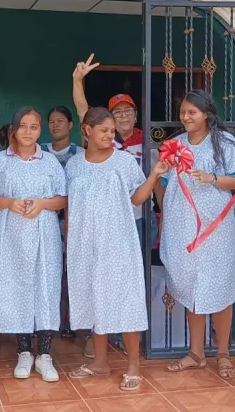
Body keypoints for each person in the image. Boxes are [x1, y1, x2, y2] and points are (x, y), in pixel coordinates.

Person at [65, 107, 170, 391]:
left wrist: (155, 175)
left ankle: (133, 364)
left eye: (112, 131)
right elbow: (69, 207)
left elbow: (137, 198)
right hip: (84, 245)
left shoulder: (123, 162)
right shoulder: (74, 165)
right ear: (87, 130)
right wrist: (68, 241)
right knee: (93, 298)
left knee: (125, 300)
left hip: (118, 242)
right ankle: (100, 361)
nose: (111, 135)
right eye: (104, 131)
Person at [0, 107, 67, 382]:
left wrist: (43, 204)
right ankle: (24, 352)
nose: (28, 132)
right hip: (11, 235)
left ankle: (45, 355)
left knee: (45, 286)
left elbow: (63, 199)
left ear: (40, 130)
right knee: (18, 287)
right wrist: (7, 203)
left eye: (34, 127)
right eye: (23, 126)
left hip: (45, 234)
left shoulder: (49, 161)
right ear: (13, 129)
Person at [157, 91, 235, 379]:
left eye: (191, 112)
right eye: (183, 112)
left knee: (219, 288)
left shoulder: (224, 142)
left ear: (206, 113)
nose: (185, 117)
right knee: (190, 285)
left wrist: (212, 178)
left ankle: (223, 353)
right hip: (182, 227)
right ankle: (196, 353)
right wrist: (165, 212)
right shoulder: (175, 145)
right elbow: (163, 181)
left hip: (215, 229)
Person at [40, 105, 81, 338]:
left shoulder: (81, 153)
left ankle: (68, 321)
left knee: (69, 272)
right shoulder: (40, 152)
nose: (55, 125)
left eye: (60, 121)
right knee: (46, 272)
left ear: (71, 125)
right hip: (45, 220)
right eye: (52, 122)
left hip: (72, 222)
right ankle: (46, 323)